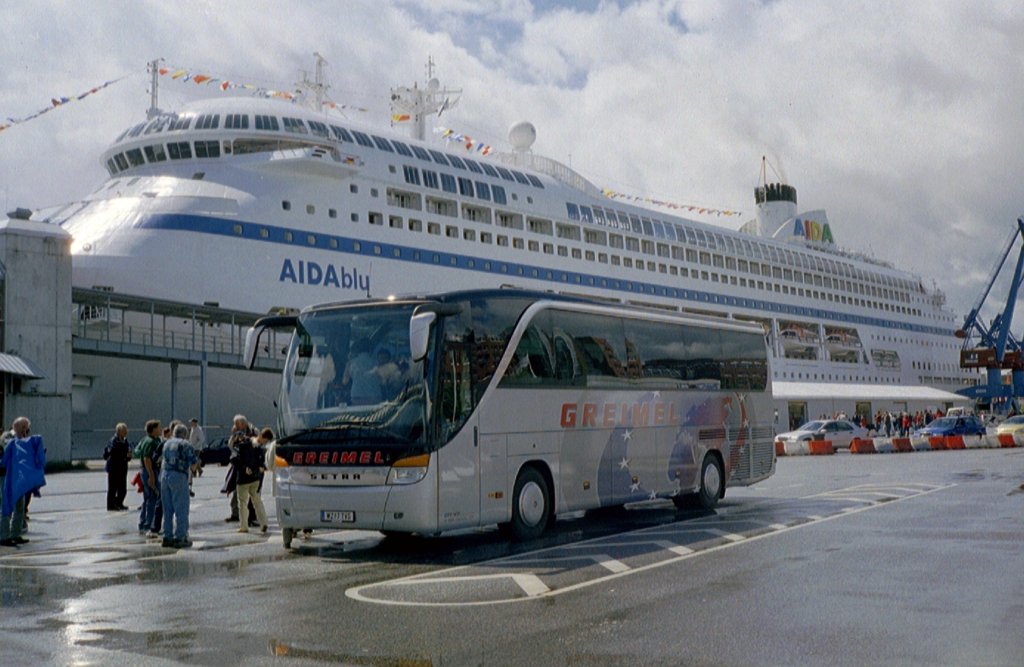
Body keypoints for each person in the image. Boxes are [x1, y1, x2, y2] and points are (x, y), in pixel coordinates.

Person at [1, 417, 45, 547]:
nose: (25, 431)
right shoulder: (7, 437)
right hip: (5, 475)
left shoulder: (23, 440)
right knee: (6, 503)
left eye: (27, 428)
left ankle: (15, 533)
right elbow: (8, 449)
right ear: (16, 427)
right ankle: (3, 535)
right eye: (23, 428)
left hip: (17, 477)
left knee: (20, 505)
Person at [159, 423, 198, 548]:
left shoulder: (166, 443)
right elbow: (193, 463)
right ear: (185, 434)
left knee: (167, 508)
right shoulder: (185, 444)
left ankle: (167, 536)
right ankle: (181, 537)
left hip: (165, 475)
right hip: (178, 476)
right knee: (181, 508)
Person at [235, 428, 269, 534]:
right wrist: (260, 467)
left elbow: (236, 461)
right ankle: (263, 522)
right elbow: (262, 459)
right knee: (257, 501)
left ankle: (244, 526)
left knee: (242, 503)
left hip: (243, 479)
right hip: (255, 477)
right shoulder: (257, 446)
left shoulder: (240, 447)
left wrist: (245, 468)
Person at [136, 419, 162, 536]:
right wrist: (151, 475)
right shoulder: (150, 442)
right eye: (158, 428)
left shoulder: (149, 440)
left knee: (147, 498)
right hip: (149, 470)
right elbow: (147, 458)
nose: (160, 429)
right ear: (153, 429)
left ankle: (143, 523)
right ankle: (148, 524)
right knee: (152, 498)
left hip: (146, 470)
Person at [103, 423, 132, 511]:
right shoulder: (113, 441)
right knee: (112, 488)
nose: (126, 432)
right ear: (119, 431)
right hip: (114, 467)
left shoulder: (125, 441)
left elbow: (127, 452)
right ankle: (111, 505)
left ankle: (119, 503)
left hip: (123, 467)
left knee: (122, 489)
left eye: (126, 430)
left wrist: (129, 456)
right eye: (124, 431)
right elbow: (111, 452)